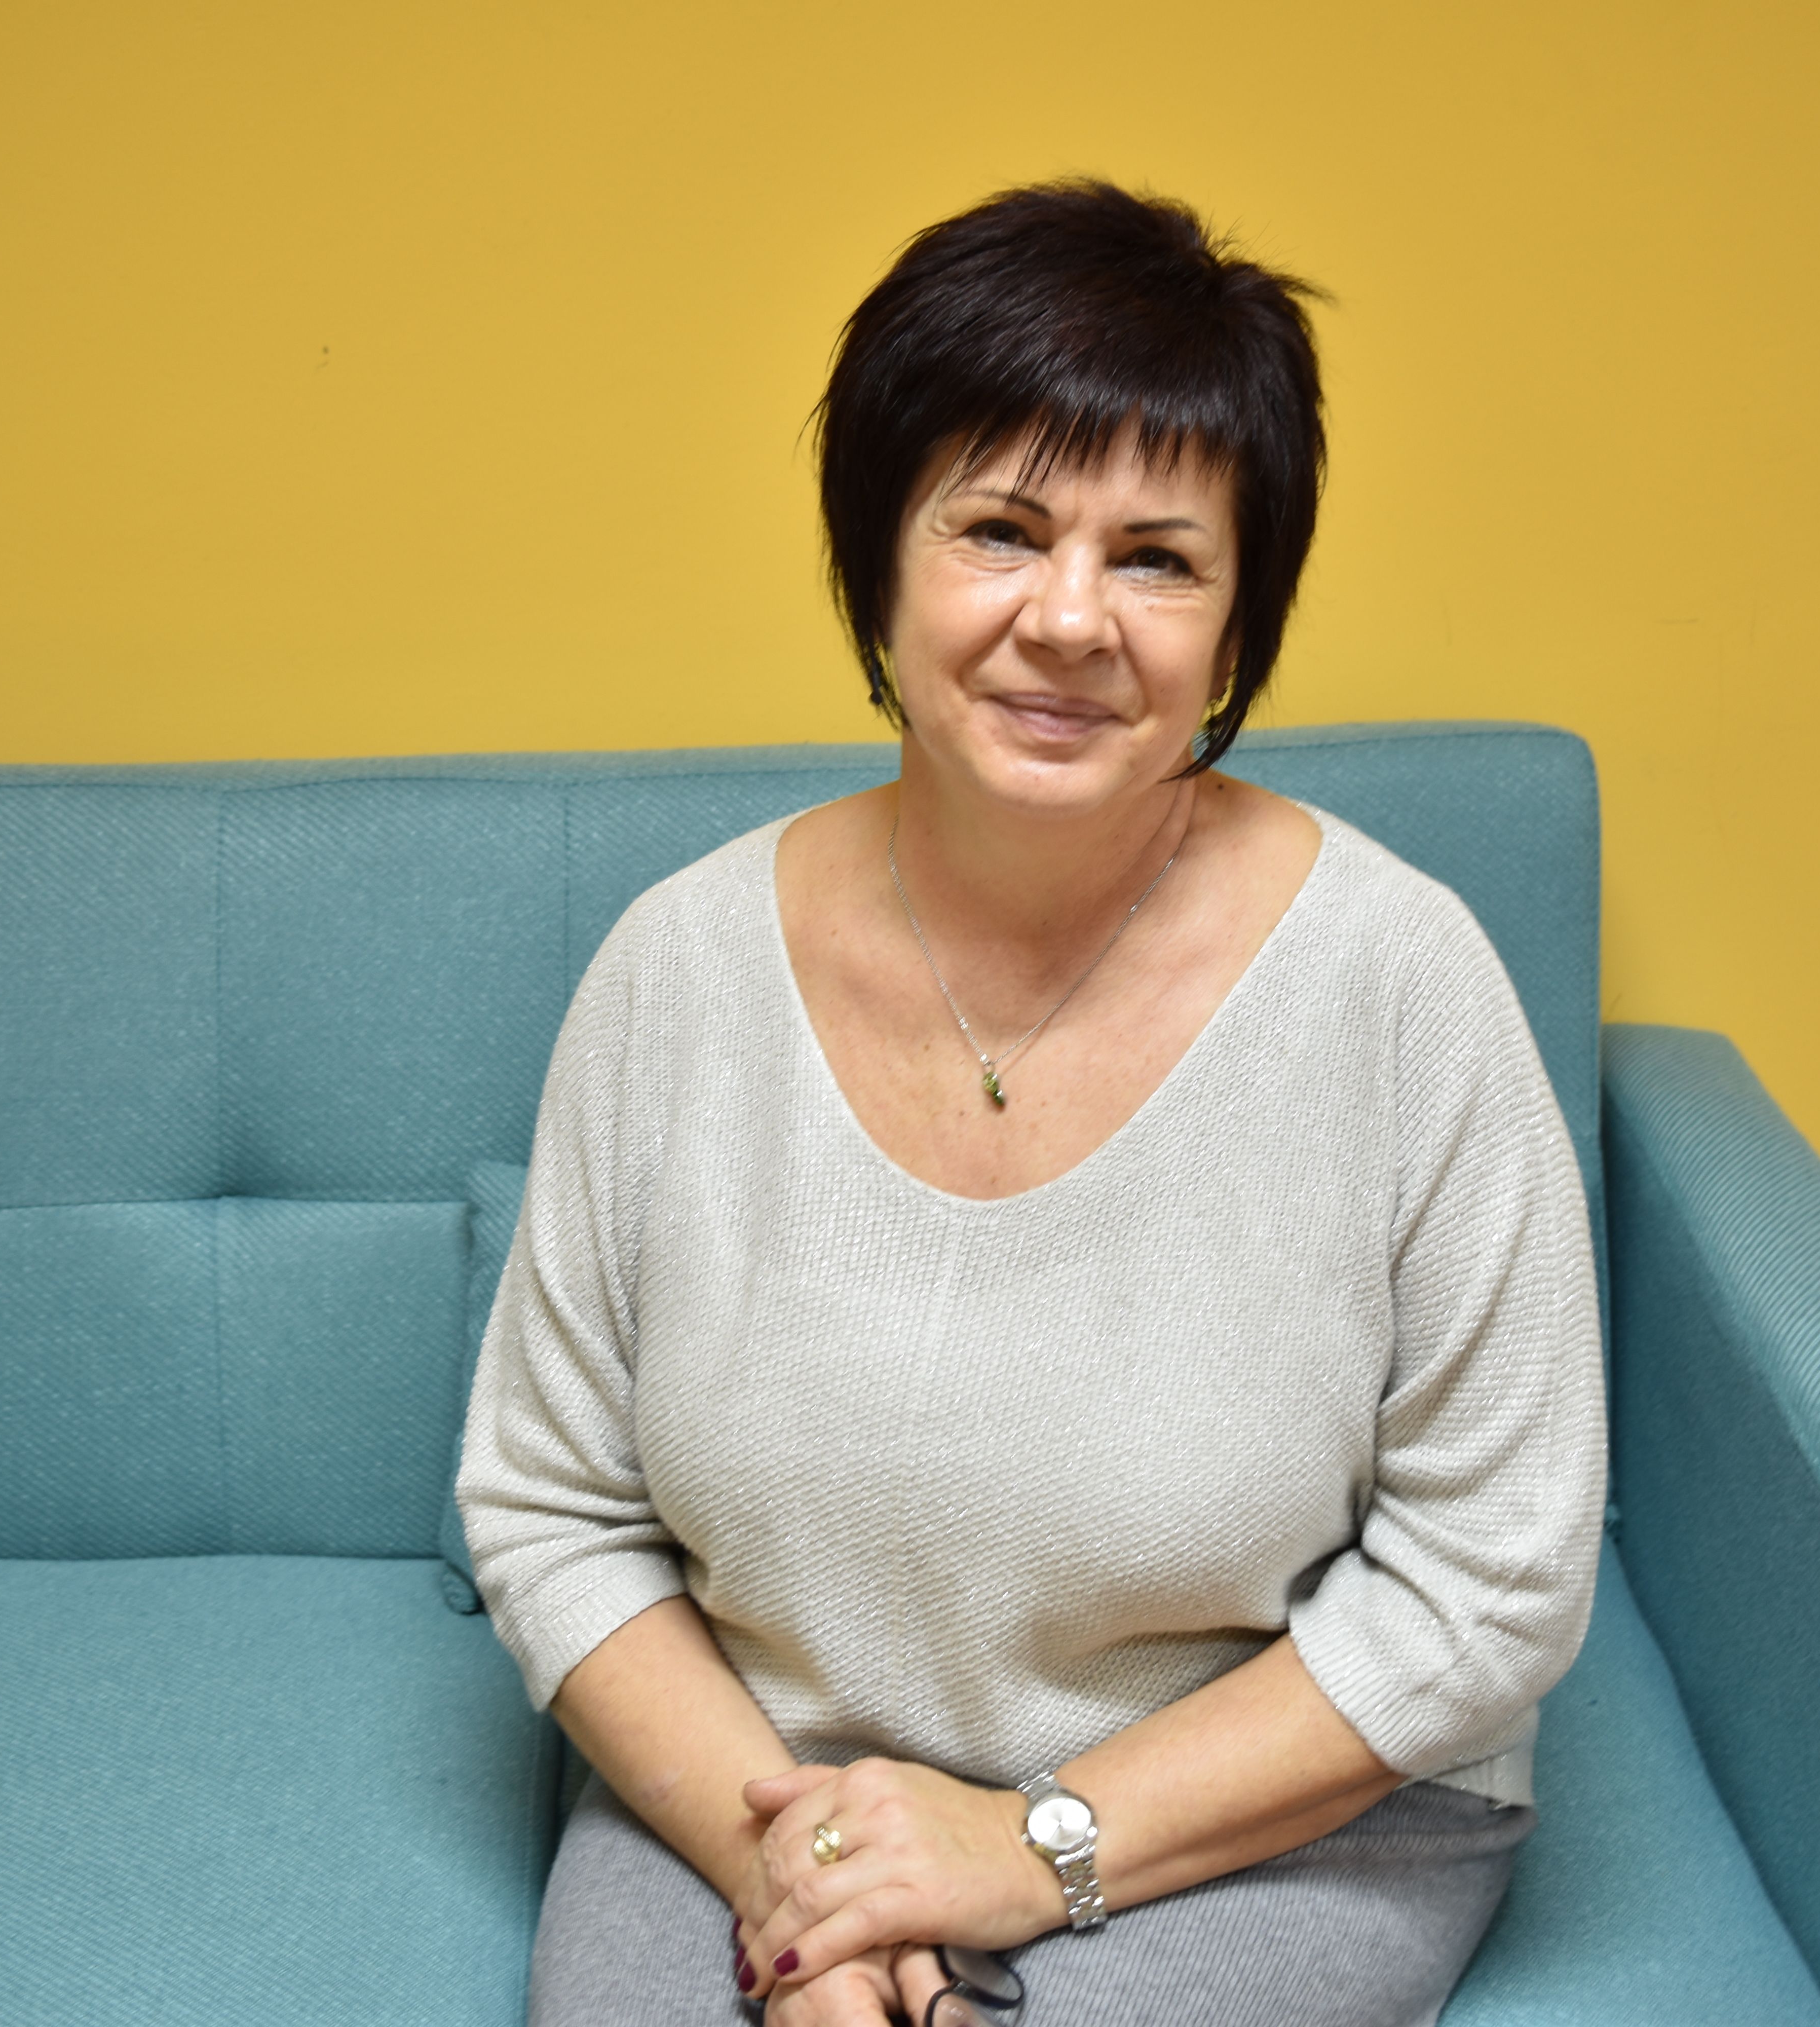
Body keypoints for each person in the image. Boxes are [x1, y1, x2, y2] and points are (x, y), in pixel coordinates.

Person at [457, 180, 1605, 2026]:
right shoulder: (675, 970)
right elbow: (550, 1509)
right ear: (880, 567)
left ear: (1238, 623)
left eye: (1158, 559)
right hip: (762, 1780)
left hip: (1273, 1813)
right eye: (999, 529)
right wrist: (805, 1881)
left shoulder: (1403, 982)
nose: (1070, 620)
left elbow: (1493, 1583)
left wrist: (1027, 1847)